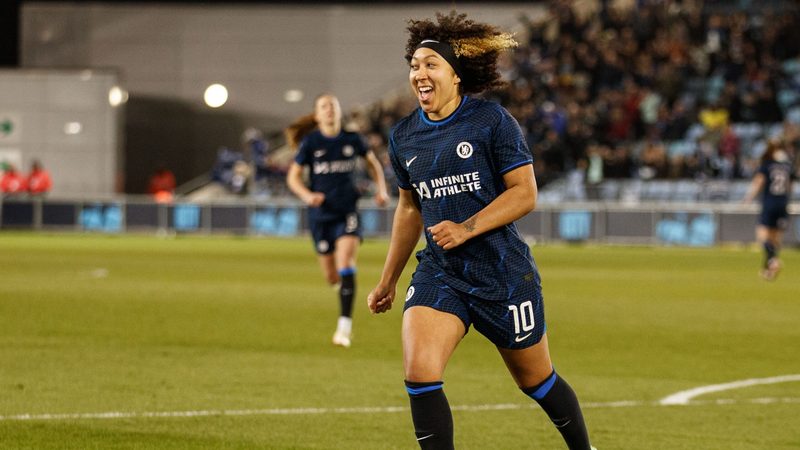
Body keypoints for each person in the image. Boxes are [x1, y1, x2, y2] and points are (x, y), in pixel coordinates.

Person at [367, 12, 593, 449]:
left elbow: (524, 194)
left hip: (502, 273)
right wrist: (389, 278)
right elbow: (409, 209)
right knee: (420, 372)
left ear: (455, 73)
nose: (419, 74)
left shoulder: (491, 122)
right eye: (414, 65)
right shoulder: (404, 136)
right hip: (441, 271)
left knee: (536, 380)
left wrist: (467, 227)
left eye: (430, 64)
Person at [286, 93, 389, 348]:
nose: (329, 109)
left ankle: (344, 327)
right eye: (324, 106)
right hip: (321, 216)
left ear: (339, 111)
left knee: (346, 262)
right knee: (332, 276)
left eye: (333, 105)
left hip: (347, 213)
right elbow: (293, 178)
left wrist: (382, 189)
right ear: (317, 115)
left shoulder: (352, 139)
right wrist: (307, 195)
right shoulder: (311, 143)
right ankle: (342, 291)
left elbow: (373, 163)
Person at [743, 139, 796, 280]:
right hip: (783, 203)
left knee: (762, 237)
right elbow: (790, 186)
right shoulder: (787, 166)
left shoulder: (766, 165)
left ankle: (773, 261)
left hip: (769, 203)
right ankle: (769, 270)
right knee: (776, 240)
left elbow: (759, 181)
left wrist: (749, 198)